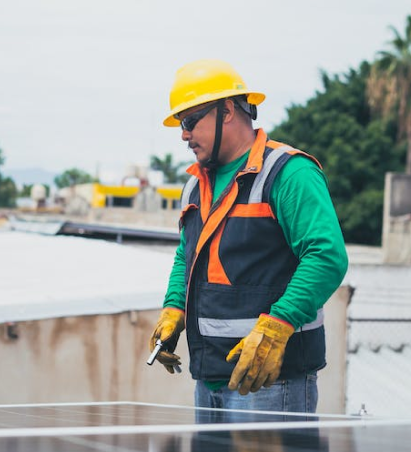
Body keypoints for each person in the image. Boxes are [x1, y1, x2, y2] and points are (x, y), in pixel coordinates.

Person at [149, 59, 348, 414]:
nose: (183, 134)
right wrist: (173, 307)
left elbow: (326, 255)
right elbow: (187, 255)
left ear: (227, 111)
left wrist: (278, 325)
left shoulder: (288, 173)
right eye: (181, 124)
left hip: (273, 382)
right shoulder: (196, 185)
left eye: (190, 121)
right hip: (209, 377)